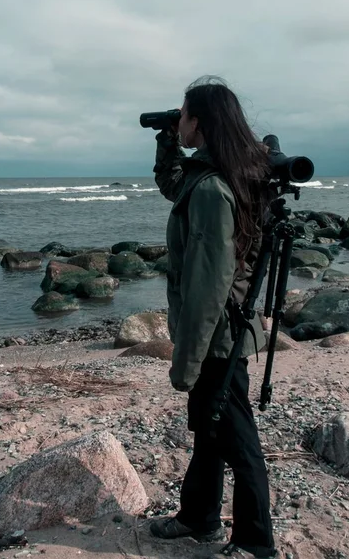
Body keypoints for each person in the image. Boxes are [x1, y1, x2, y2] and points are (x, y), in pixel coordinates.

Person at [148, 76, 277, 558]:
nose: (178, 122)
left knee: (238, 440)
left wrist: (187, 358)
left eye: (181, 116)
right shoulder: (221, 175)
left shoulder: (212, 190)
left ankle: (256, 543)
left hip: (218, 337)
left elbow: (207, 283)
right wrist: (166, 140)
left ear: (199, 121)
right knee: (209, 427)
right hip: (225, 332)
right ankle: (199, 517)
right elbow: (172, 185)